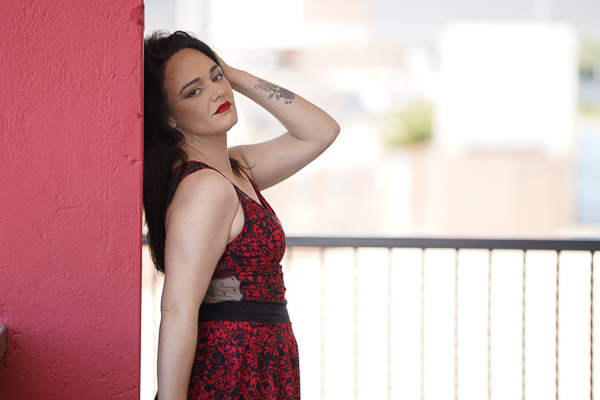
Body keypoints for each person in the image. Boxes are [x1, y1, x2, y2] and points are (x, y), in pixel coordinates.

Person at [143, 30, 340, 400]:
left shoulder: (236, 168)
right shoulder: (206, 187)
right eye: (193, 91)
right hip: (233, 367)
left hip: (261, 359)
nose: (217, 92)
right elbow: (177, 310)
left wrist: (236, 75)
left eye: (215, 77)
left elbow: (320, 131)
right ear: (169, 118)